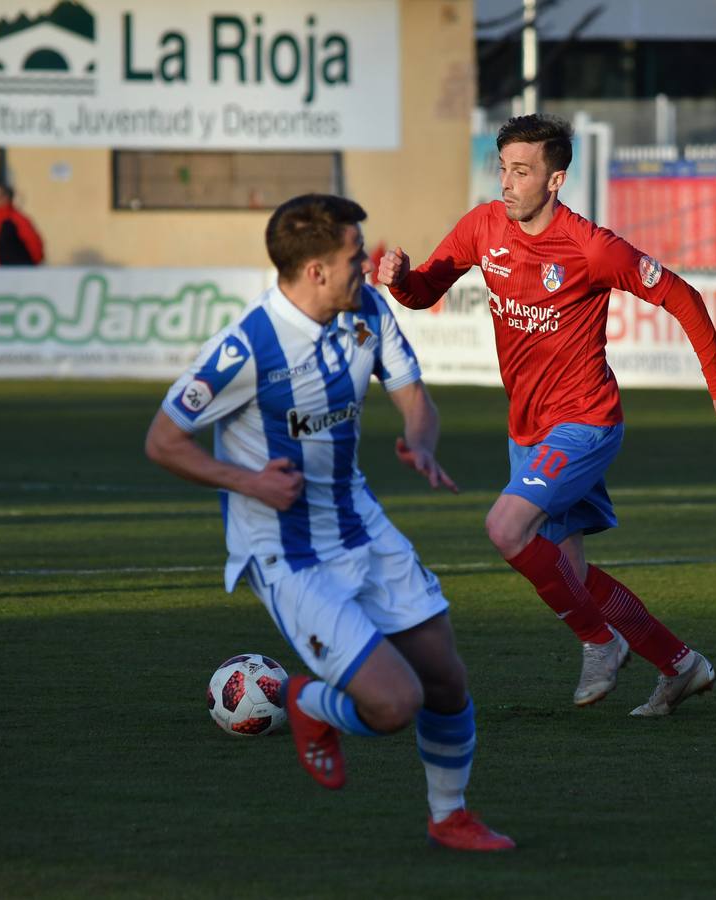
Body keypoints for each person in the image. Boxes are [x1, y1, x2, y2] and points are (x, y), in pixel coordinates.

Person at [145, 193, 514, 851]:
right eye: (353, 256)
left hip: (361, 524)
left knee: (447, 680)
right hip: (288, 554)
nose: (366, 266)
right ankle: (307, 703)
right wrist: (249, 481)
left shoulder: (367, 309)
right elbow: (164, 440)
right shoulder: (247, 345)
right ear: (315, 269)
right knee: (395, 704)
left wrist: (420, 440)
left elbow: (414, 401)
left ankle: (449, 815)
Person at [378, 114, 716, 717]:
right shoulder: (482, 226)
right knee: (571, 576)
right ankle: (681, 664)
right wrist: (401, 282)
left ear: (555, 180)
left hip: (586, 420)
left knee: (505, 528)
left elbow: (680, 295)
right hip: (526, 428)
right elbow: (427, 290)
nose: (506, 183)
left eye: (521, 171)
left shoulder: (591, 247)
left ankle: (599, 643)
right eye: (502, 168)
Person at [0, 182, 44, 266]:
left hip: (19, 272)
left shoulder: (17, 219)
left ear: (6, 198)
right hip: (2, 273)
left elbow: (34, 245)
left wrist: (30, 267)